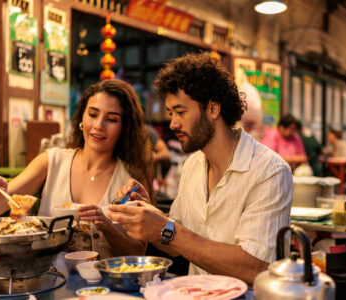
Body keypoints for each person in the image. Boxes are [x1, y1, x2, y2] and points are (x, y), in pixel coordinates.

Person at [108, 53, 293, 285]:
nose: (173, 123)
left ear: (213, 108)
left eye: (181, 112)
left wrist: (166, 229)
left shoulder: (270, 171)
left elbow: (254, 268)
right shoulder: (193, 165)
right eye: (170, 114)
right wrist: (149, 215)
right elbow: (175, 245)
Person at [0, 79, 153, 258]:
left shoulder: (131, 180)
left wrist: (106, 225)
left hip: (106, 285)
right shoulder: (51, 161)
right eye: (92, 114)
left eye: (112, 119)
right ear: (82, 117)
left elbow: (137, 251)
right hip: (47, 280)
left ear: (124, 128)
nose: (99, 125)